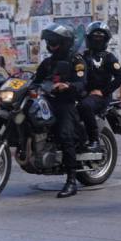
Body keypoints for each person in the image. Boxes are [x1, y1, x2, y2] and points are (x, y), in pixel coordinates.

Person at [33, 24, 87, 198]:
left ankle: (71, 181)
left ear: (64, 42)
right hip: (48, 100)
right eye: (49, 41)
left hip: (67, 101)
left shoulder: (76, 60)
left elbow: (81, 83)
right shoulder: (48, 62)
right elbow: (35, 80)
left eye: (54, 41)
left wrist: (67, 85)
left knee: (65, 134)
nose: (50, 44)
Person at [78, 22, 121, 152]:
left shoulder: (109, 58)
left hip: (100, 97)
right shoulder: (82, 57)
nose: (97, 40)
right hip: (83, 94)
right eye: (94, 37)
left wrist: (103, 92)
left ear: (106, 40)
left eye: (100, 37)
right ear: (88, 38)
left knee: (85, 106)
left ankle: (94, 140)